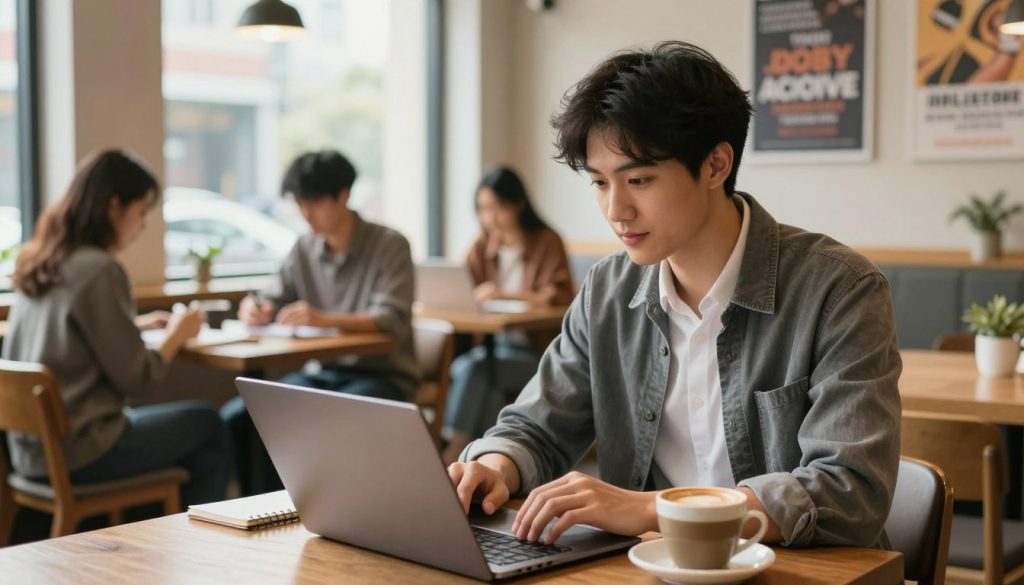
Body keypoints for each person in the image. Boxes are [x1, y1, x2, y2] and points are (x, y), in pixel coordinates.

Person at [448, 41, 901, 549]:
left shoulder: (840, 291)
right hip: (647, 568)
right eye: (599, 183)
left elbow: (849, 490)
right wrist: (495, 466)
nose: (616, 210)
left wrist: (649, 509)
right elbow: (539, 426)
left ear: (715, 165)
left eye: (638, 180)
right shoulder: (606, 292)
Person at [2, 149, 230, 506]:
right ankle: (198, 550)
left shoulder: (42, 260)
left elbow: (66, 335)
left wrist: (133, 326)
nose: (143, 226)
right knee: (208, 424)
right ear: (113, 206)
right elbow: (137, 378)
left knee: (196, 445)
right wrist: (177, 335)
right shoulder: (99, 269)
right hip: (82, 449)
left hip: (30, 452)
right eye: (141, 213)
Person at [220, 149, 418, 493]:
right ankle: (264, 510)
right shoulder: (304, 248)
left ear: (343, 195)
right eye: (299, 203)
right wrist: (255, 307)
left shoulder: (390, 245)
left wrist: (322, 318)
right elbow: (272, 294)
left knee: (328, 418)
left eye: (313, 202)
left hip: (382, 375)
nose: (305, 213)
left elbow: (391, 318)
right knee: (245, 414)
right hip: (324, 374)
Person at [440, 166, 574, 464]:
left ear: (517, 204)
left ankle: (452, 455)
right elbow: (463, 290)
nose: (490, 217)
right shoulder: (481, 246)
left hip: (539, 355)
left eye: (497, 207)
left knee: (473, 370)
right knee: (478, 376)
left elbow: (561, 296)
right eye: (483, 209)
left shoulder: (546, 241)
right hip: (494, 349)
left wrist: (506, 296)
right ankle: (481, 463)